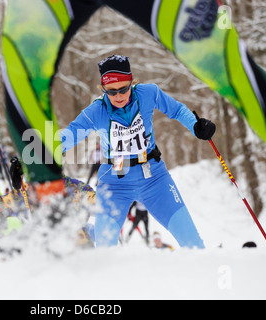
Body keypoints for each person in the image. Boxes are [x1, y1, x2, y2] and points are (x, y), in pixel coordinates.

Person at [60, 55, 215, 248]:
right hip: (114, 183)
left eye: (123, 89)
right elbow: (69, 134)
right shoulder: (97, 111)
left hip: (154, 178)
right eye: (111, 91)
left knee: (193, 244)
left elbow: (177, 110)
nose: (118, 96)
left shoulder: (148, 94)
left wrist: (196, 126)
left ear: (132, 82)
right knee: (104, 250)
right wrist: (40, 153)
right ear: (103, 89)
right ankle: (93, 234)